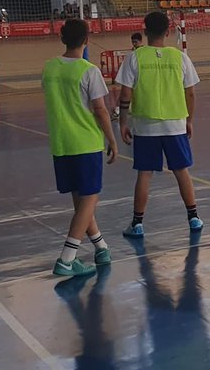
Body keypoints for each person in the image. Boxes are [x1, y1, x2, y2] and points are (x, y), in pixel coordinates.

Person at [116, 11, 203, 238]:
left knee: (144, 174)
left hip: (145, 124)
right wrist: (189, 120)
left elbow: (125, 94)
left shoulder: (134, 58)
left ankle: (137, 222)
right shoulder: (180, 57)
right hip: (175, 123)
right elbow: (191, 94)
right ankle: (193, 217)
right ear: (168, 31)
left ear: (145, 32)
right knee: (181, 171)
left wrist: (123, 122)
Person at [43, 19, 118, 277]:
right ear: (86, 40)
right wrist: (112, 139)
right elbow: (100, 109)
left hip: (61, 143)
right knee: (89, 200)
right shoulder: (89, 70)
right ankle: (67, 258)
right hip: (85, 142)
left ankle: (101, 247)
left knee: (81, 201)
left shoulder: (49, 68)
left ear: (62, 39)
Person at [111, 33, 145, 121]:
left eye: (136, 42)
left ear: (141, 41)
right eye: (132, 42)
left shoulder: (143, 52)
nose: (134, 43)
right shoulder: (132, 53)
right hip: (131, 79)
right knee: (124, 92)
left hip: (140, 79)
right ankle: (118, 110)